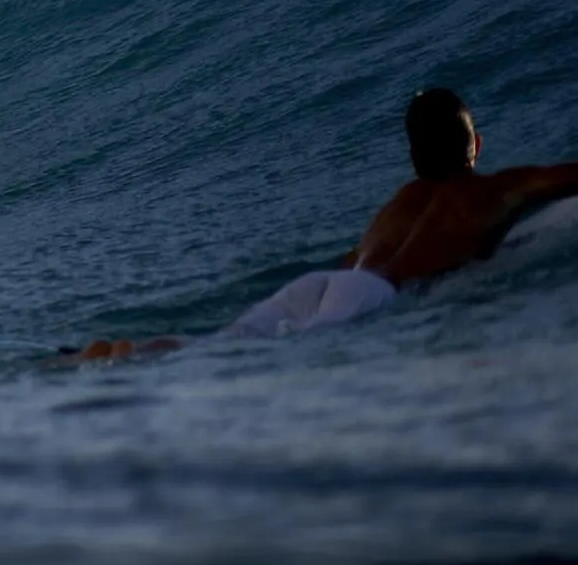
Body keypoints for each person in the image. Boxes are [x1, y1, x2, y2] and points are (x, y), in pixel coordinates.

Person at [67, 88, 578, 361]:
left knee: (224, 342)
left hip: (324, 282)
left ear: (413, 155)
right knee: (277, 354)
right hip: (371, 293)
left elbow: (357, 262)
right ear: (477, 146)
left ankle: (125, 353)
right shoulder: (489, 189)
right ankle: (127, 363)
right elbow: (562, 178)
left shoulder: (399, 202)